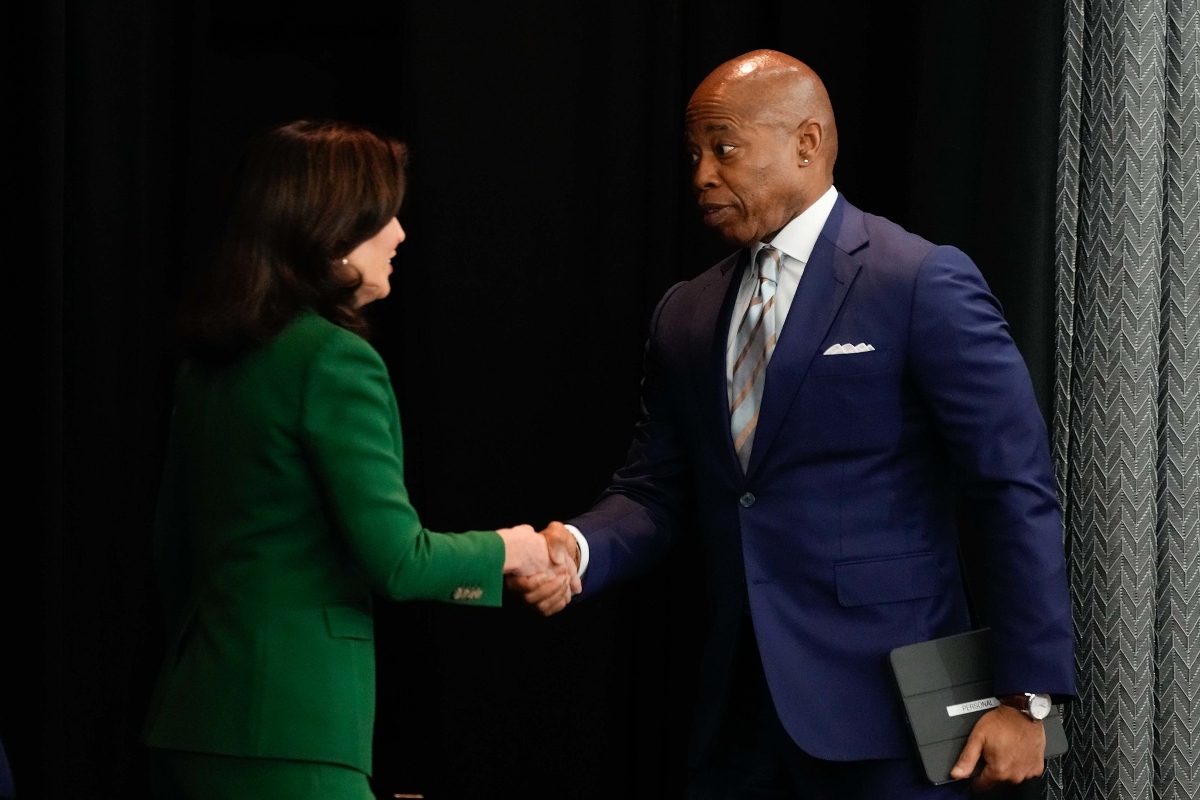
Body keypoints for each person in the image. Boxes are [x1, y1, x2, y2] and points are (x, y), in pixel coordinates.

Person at [510, 51, 1074, 798]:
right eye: (694, 154)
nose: (702, 174)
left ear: (807, 143)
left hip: (892, 723)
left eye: (724, 147)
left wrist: (1026, 700)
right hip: (738, 721)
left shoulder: (920, 281)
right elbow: (655, 490)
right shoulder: (685, 313)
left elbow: (1012, 488)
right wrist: (578, 548)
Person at [143, 120, 578, 800]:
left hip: (191, 721)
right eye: (384, 214)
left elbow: (171, 552)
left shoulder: (207, 369)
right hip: (295, 730)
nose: (400, 233)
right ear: (331, 225)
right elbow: (398, 560)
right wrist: (512, 549)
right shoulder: (334, 360)